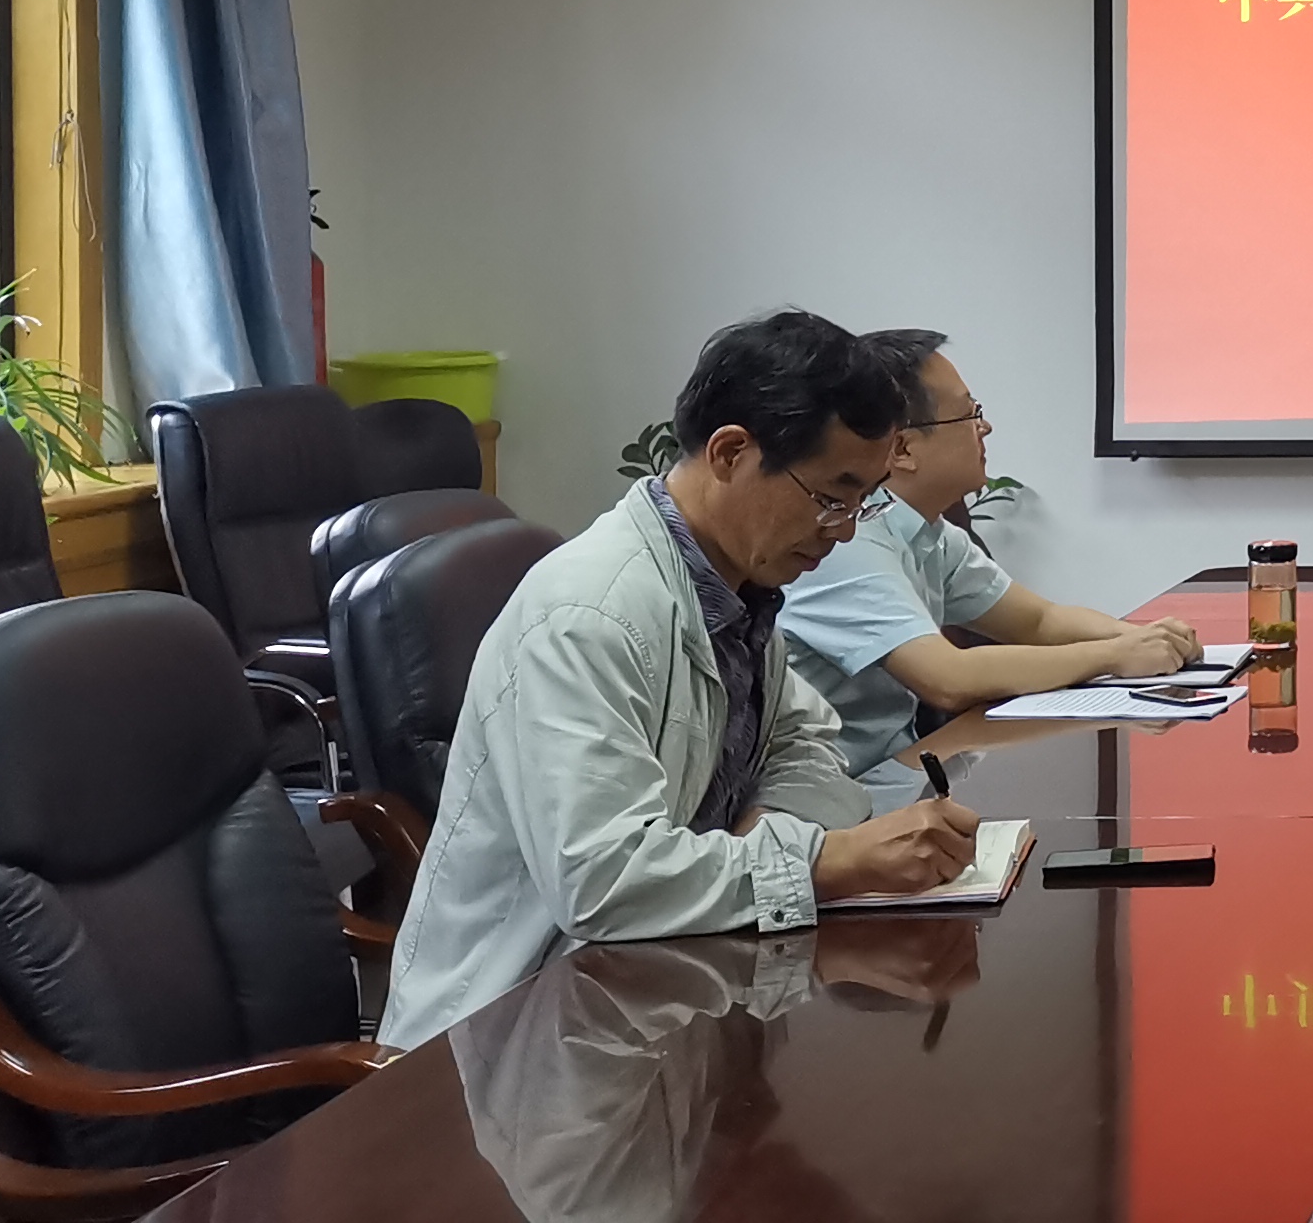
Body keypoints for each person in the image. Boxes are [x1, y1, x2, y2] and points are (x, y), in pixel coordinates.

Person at [379, 312, 981, 1049]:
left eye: (863, 502)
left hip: (660, 989)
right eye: (832, 496)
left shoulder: (733, 585)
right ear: (731, 453)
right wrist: (827, 861)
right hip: (507, 1036)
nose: (846, 529)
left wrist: (768, 839)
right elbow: (604, 883)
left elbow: (808, 744)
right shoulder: (592, 615)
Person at [782, 331, 1200, 793]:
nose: (986, 428)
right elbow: (947, 679)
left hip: (897, 770)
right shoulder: (847, 541)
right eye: (970, 414)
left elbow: (1039, 620)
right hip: (831, 799)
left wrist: (1139, 638)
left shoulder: (928, 531)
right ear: (902, 450)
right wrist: (1114, 656)